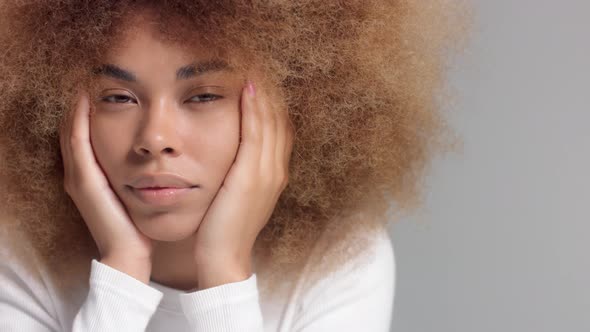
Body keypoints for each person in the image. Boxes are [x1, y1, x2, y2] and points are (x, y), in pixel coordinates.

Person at [0, 1, 467, 331]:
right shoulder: (20, 252)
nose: (155, 139)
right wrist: (121, 272)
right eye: (119, 97)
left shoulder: (336, 257)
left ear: (293, 106)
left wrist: (223, 273)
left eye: (203, 95)